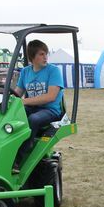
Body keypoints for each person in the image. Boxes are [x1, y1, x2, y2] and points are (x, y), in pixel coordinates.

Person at [12, 39, 64, 172]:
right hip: (33, 108)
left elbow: (50, 97)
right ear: (32, 57)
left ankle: (19, 158)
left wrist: (24, 101)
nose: (45, 57)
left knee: (33, 120)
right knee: (11, 116)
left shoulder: (53, 71)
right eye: (41, 54)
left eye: (45, 53)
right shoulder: (25, 72)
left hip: (50, 110)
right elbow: (18, 93)